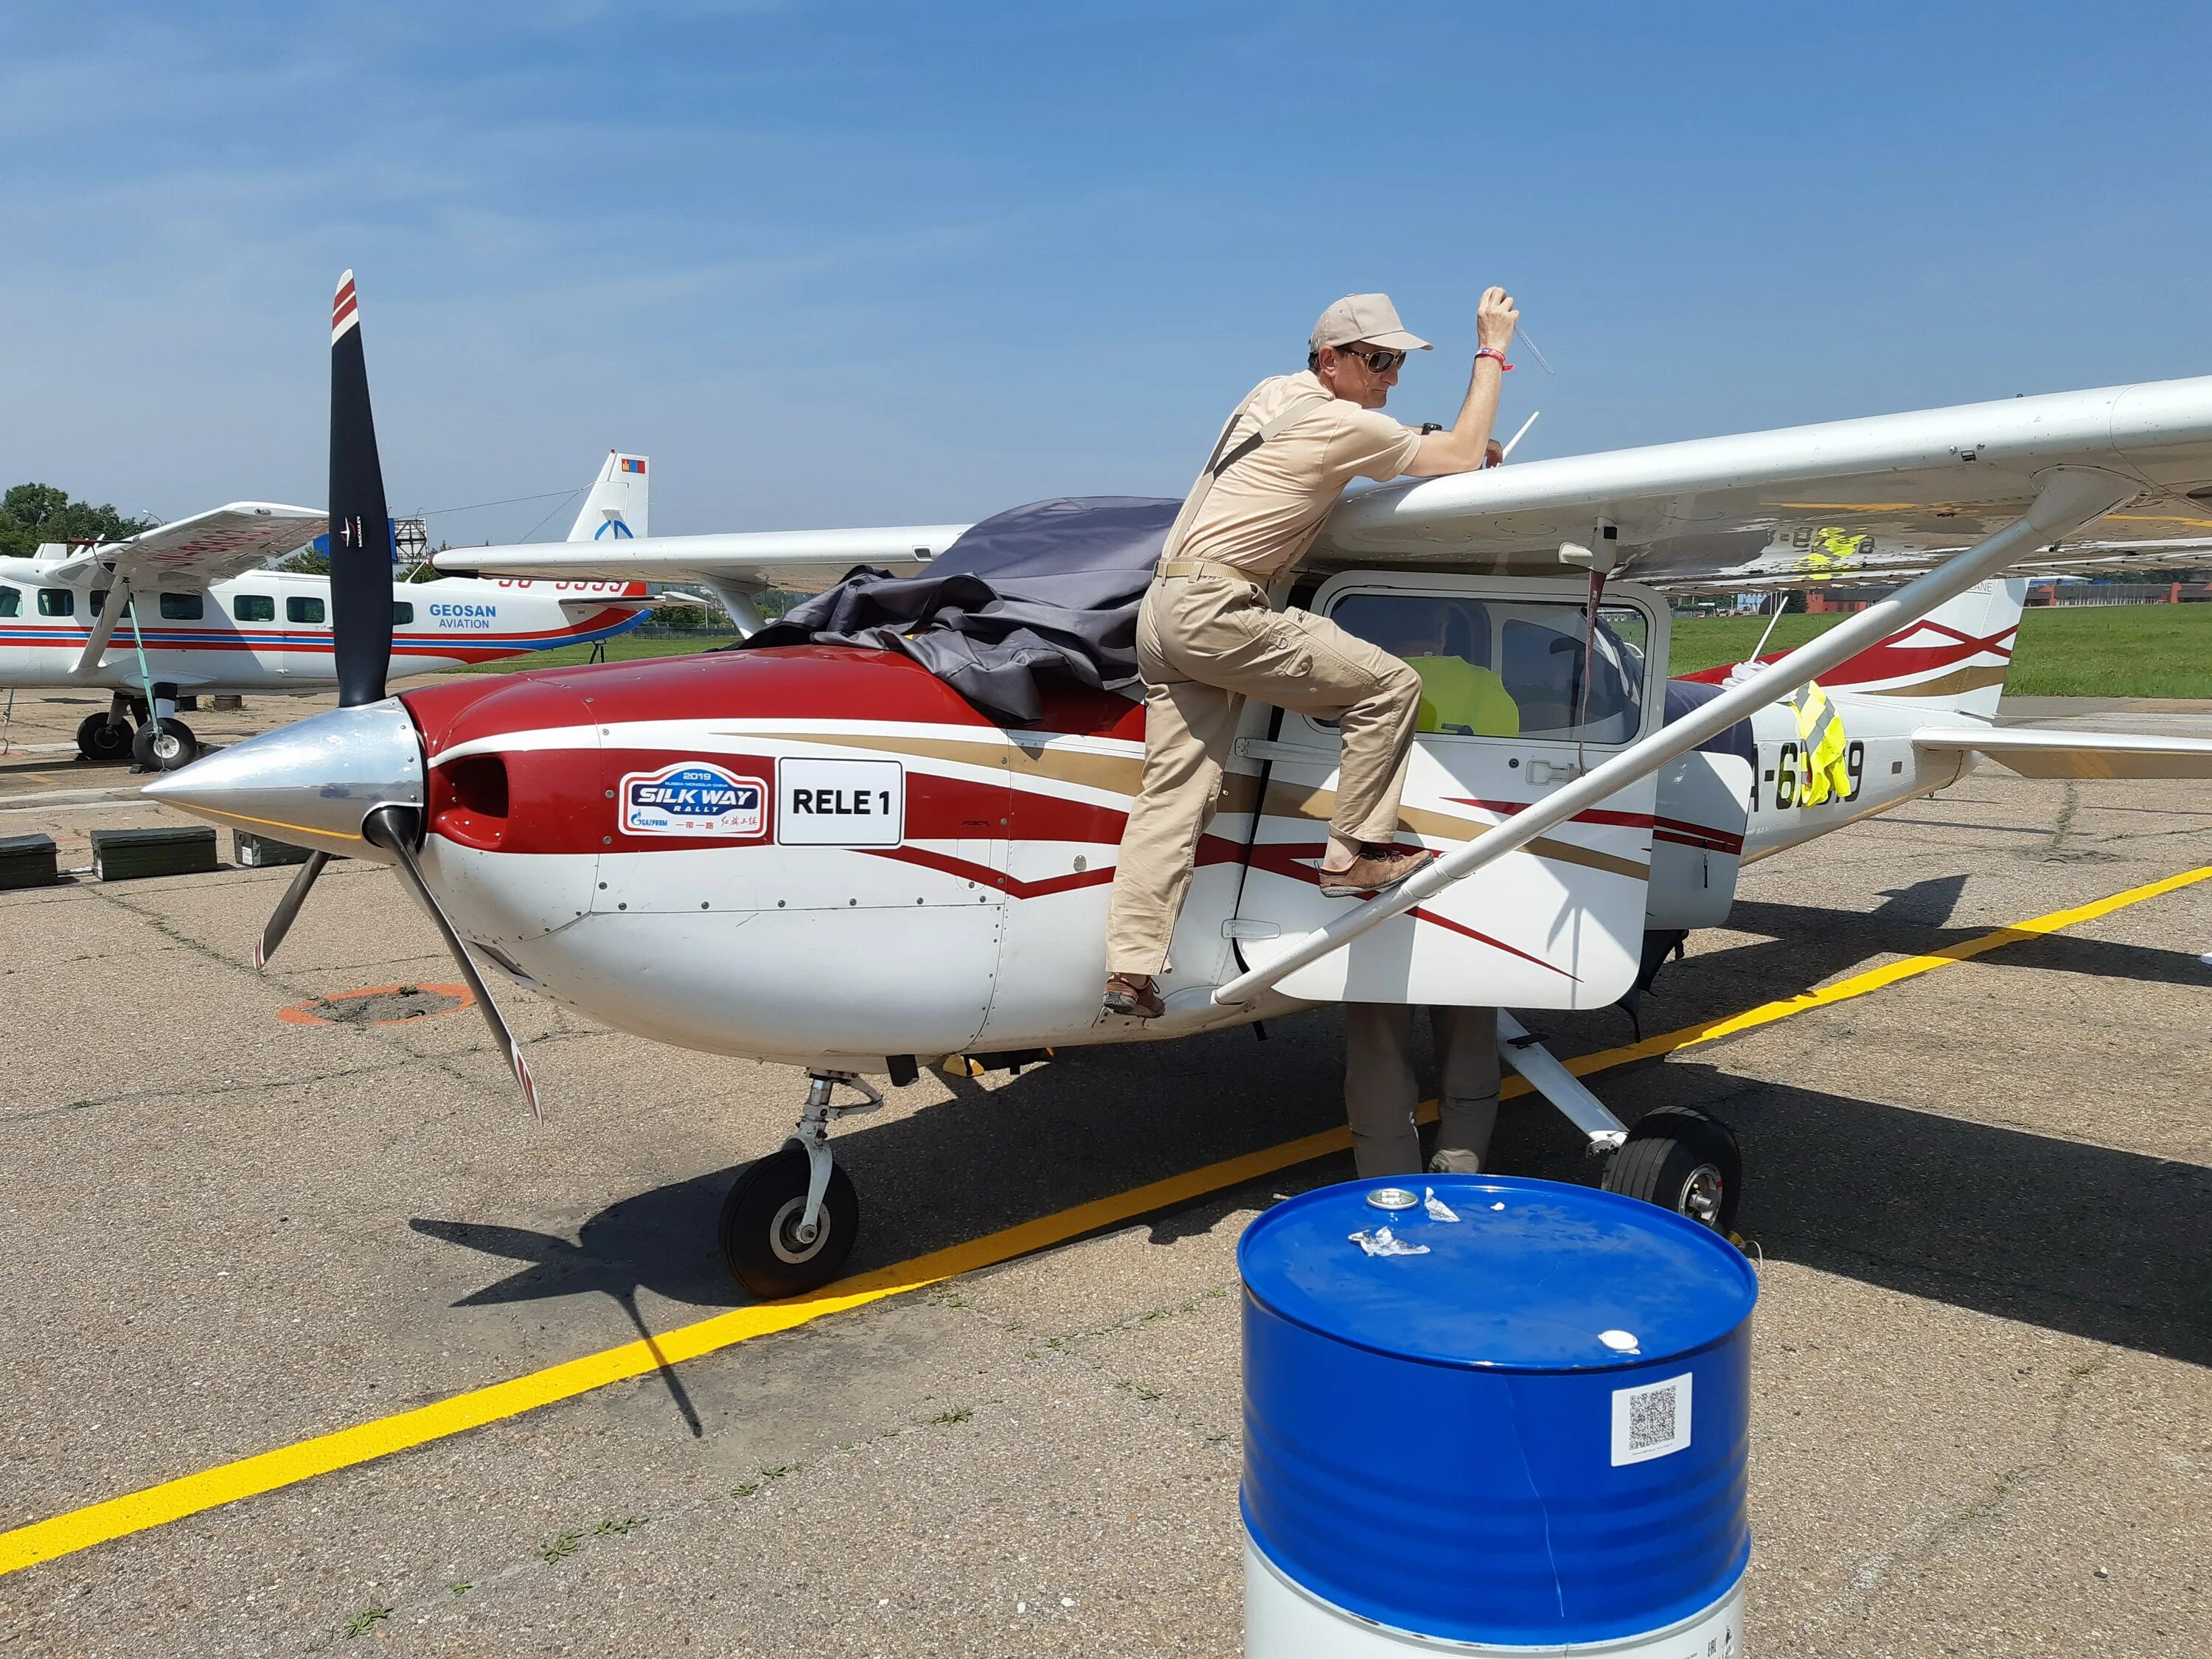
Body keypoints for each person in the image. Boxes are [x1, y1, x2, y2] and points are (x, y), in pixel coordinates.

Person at [1102, 288, 1520, 1019]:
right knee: (1390, 686)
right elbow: (1456, 456)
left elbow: (1368, 441)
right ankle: (1354, 851)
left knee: (1170, 801)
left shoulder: (1272, 395)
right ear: (1333, 360)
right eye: (1379, 359)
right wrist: (1491, 348)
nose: (1391, 375)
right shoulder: (1339, 424)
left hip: (1163, 611)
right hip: (1219, 609)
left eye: (1398, 361)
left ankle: (1130, 971)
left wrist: (1410, 432)